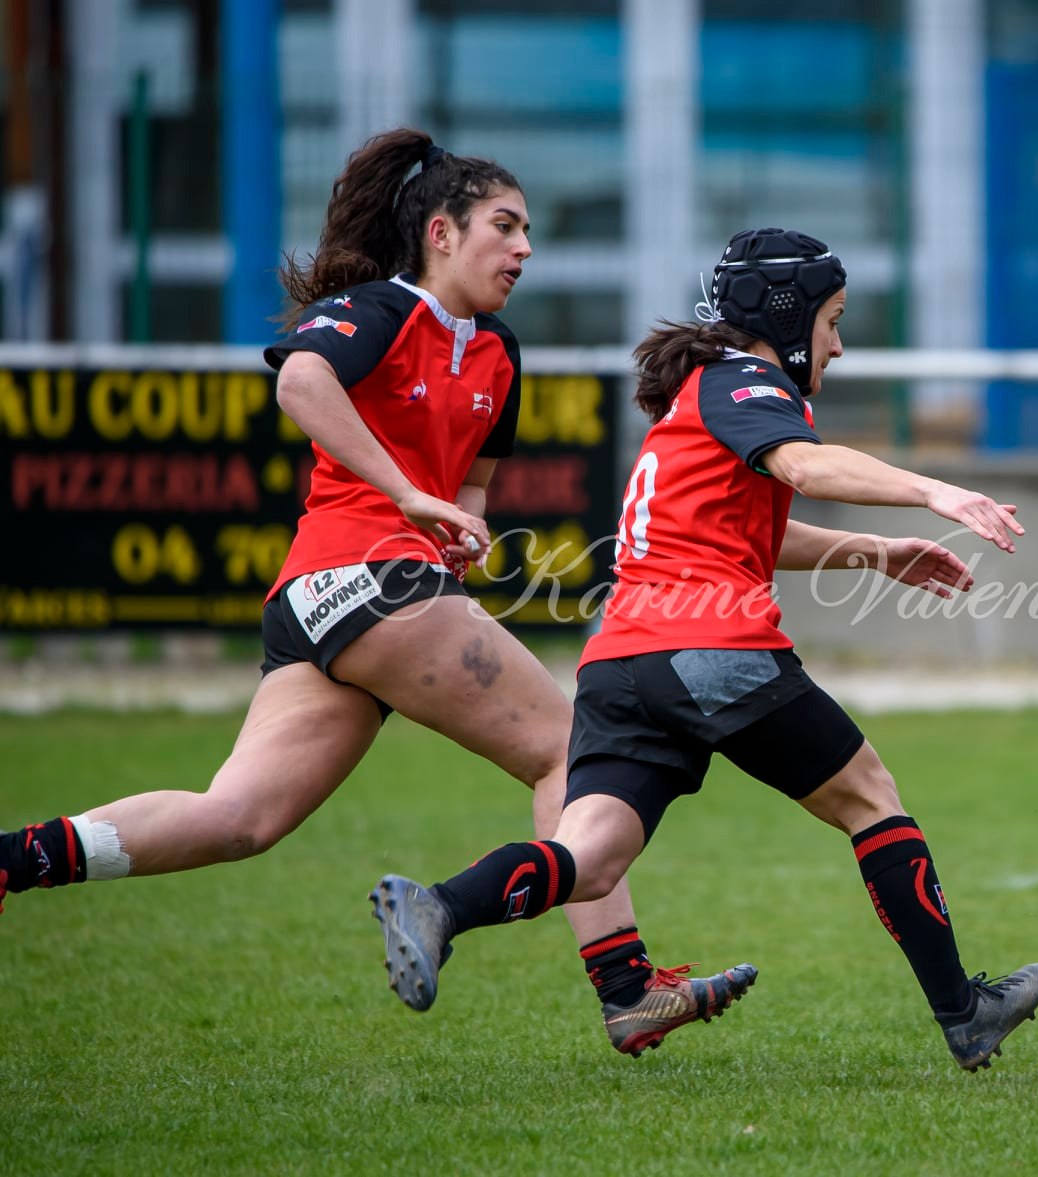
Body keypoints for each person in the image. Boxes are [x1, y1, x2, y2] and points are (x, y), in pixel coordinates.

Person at [0, 128, 754, 1057]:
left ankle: (13, 860)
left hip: (346, 596)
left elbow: (471, 481)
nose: (524, 248)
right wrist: (404, 495)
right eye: (504, 226)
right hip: (365, 576)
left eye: (529, 232)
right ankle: (628, 989)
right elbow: (301, 384)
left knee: (240, 818)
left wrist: (459, 520)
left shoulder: (499, 353)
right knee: (575, 752)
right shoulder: (381, 309)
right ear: (441, 232)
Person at [367, 227, 1038, 1071]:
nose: (837, 344)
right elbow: (802, 464)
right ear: (791, 318)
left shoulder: (700, 392)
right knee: (869, 795)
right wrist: (933, 490)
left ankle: (438, 906)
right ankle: (966, 1011)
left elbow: (754, 529)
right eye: (833, 321)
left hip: (620, 659)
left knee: (591, 855)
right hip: (710, 644)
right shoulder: (747, 380)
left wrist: (877, 550)